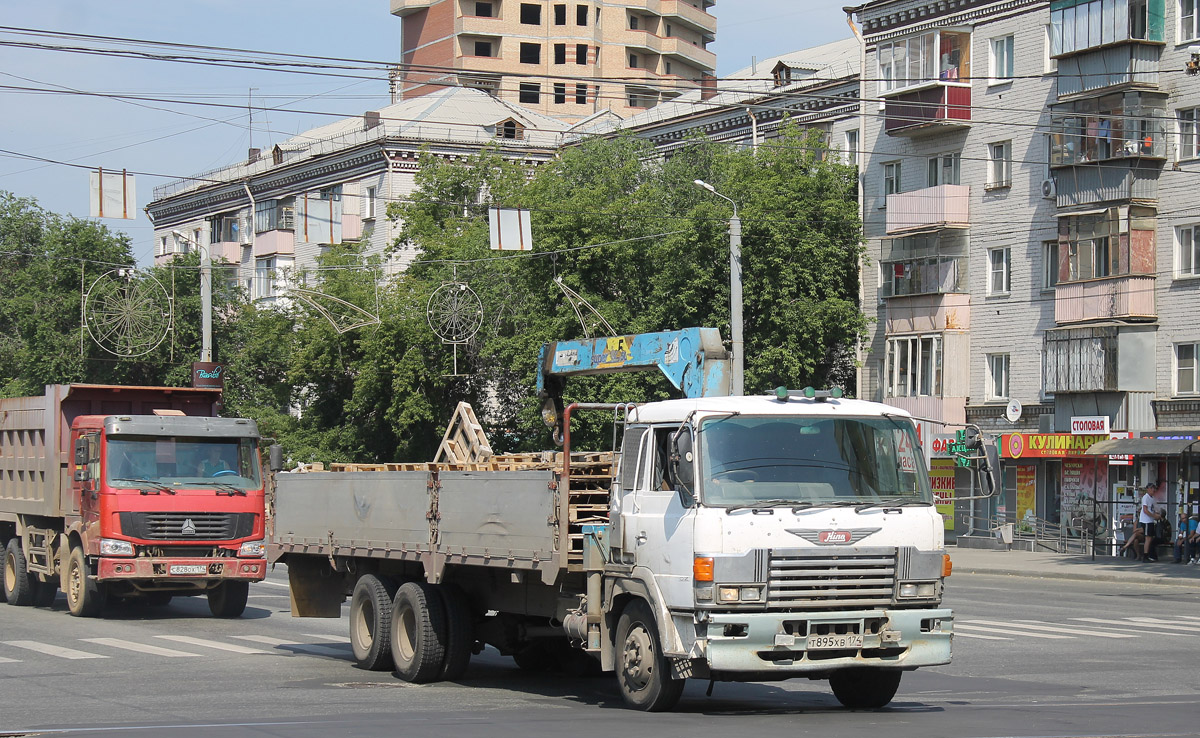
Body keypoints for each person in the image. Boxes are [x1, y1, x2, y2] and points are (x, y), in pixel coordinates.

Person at [1138, 482, 1163, 562]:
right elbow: (1145, 510)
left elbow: (1152, 509)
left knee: (1150, 537)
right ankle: (1145, 556)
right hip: (1146, 520)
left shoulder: (1152, 498)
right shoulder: (1146, 498)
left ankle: (1148, 554)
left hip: (1150, 520)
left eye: (1154, 488)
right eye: (1151, 488)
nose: (1153, 490)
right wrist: (1154, 516)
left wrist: (1157, 514)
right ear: (1148, 489)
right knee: (1148, 538)